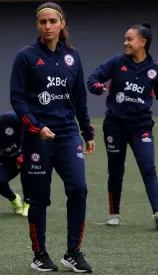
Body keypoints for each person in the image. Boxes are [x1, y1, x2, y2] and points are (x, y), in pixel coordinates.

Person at [10, 2, 95, 273]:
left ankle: (73, 253)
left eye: (52, 21)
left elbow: (80, 98)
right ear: (37, 25)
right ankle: (39, 254)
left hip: (68, 133)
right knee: (39, 198)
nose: (48, 26)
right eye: (43, 22)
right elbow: (17, 99)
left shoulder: (73, 56)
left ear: (61, 24)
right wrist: (36, 127)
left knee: (79, 189)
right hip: (38, 137)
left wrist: (87, 131)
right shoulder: (25, 56)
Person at [87, 23, 158, 228]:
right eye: (125, 39)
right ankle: (114, 213)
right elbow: (93, 78)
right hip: (115, 127)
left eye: (130, 39)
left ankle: (157, 212)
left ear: (142, 42)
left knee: (148, 168)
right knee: (115, 170)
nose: (125, 42)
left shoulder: (154, 70)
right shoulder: (117, 62)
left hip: (141, 127)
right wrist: (97, 87)